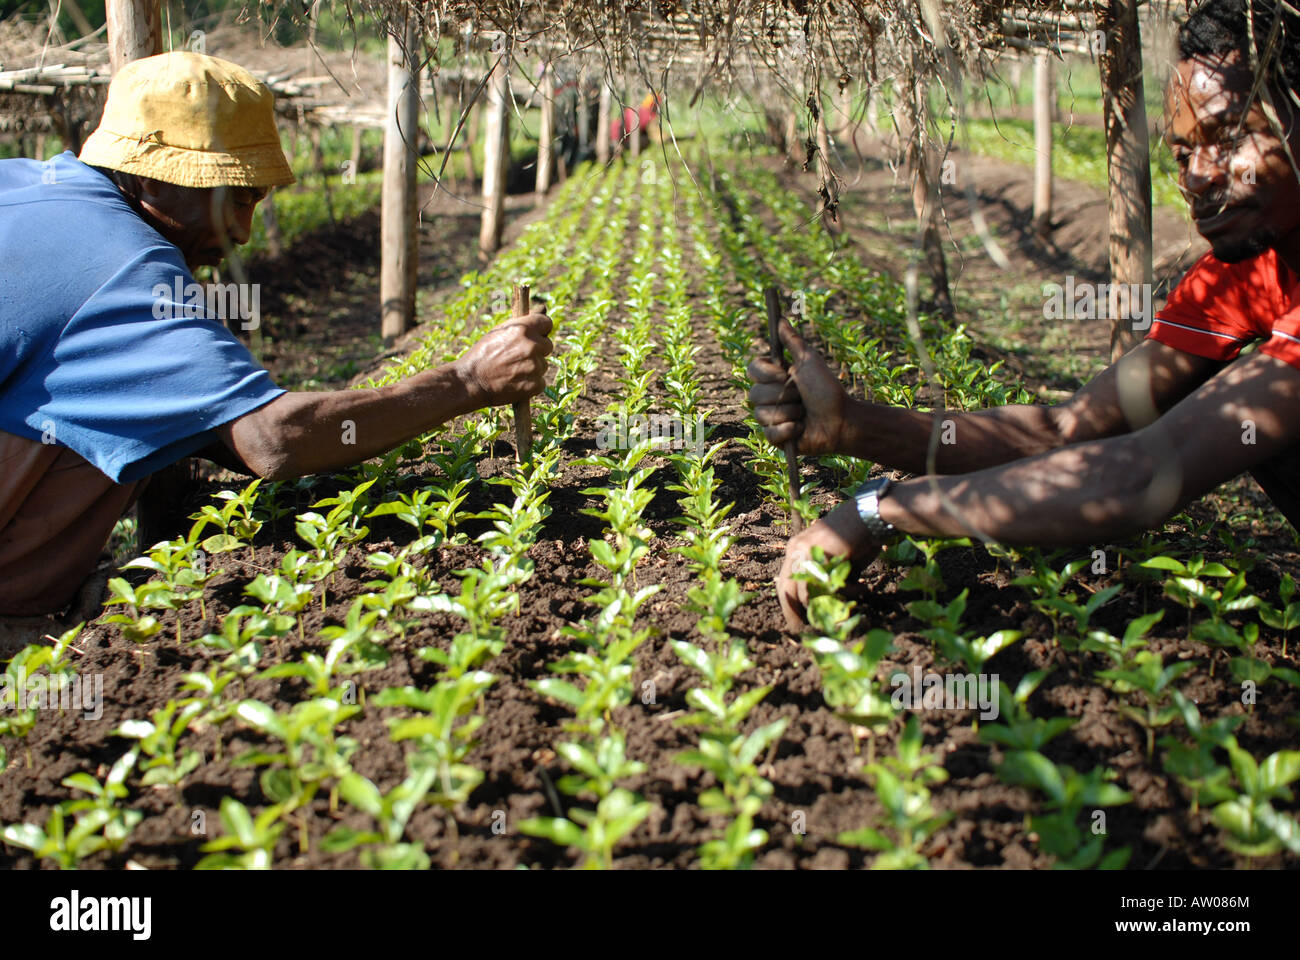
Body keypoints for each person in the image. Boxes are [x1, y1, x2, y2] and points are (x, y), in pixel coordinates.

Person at [749, 0, 1300, 628]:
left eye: (1225, 136)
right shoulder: (1248, 271)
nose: (1198, 177)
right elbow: (1071, 430)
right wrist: (852, 425)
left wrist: (882, 510)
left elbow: (1140, 474)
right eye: (1180, 153)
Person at [0, 52, 551, 644]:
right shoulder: (124, 267)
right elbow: (272, 440)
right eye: (234, 199)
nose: (243, 231)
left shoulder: (24, 182)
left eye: (254, 201)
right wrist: (469, 381)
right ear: (153, 178)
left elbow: (209, 424)